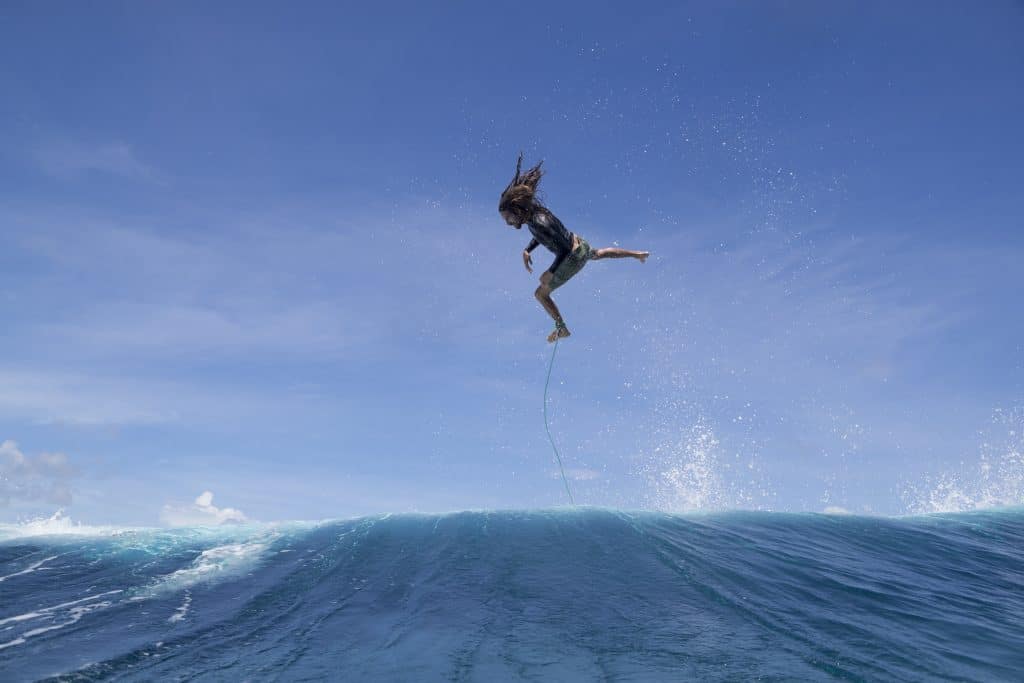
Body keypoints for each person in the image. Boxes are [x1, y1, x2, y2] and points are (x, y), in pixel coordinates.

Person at [498, 153, 649, 342]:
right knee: (598, 253)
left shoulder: (539, 222)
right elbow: (542, 237)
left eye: (508, 219)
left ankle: (562, 328)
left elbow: (562, 250)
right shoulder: (535, 217)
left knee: (540, 294)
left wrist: (551, 272)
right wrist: (528, 250)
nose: (508, 223)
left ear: (517, 211)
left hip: (571, 256)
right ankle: (637, 255)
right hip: (580, 246)